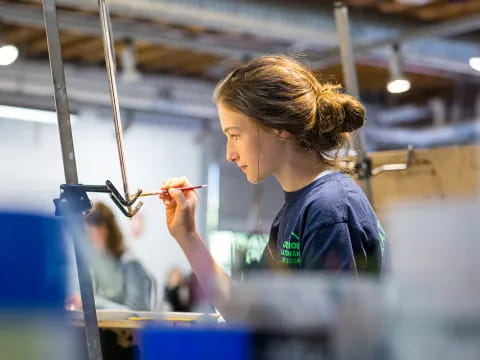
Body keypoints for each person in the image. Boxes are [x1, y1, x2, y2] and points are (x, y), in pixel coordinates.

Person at [159, 55, 386, 314]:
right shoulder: (298, 209)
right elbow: (244, 310)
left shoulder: (328, 208)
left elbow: (335, 338)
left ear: (280, 127)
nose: (229, 154)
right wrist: (187, 235)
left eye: (235, 135)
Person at [68, 201, 156, 311]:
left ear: (108, 228)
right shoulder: (89, 266)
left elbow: (138, 313)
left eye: (95, 222)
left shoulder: (130, 264)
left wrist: (90, 302)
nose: (89, 230)